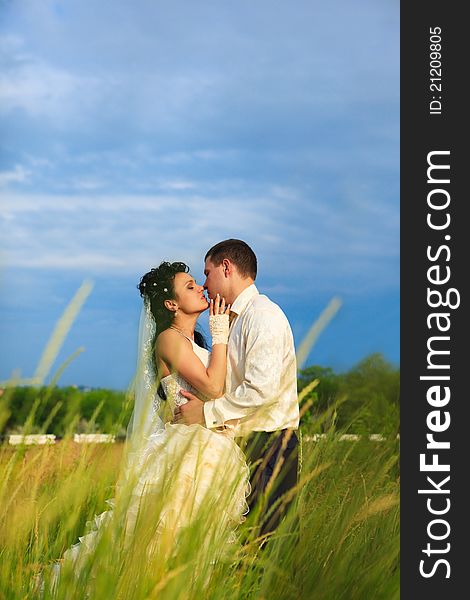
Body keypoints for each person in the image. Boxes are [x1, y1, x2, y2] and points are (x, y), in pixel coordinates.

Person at [48, 261, 250, 590]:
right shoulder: (169, 340)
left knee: (197, 544)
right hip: (186, 454)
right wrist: (221, 331)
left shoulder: (196, 344)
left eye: (197, 282)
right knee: (163, 537)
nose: (200, 288)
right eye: (189, 286)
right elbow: (213, 389)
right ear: (171, 304)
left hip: (212, 449)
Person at [174, 240, 300, 538]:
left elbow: (261, 391)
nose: (204, 283)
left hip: (270, 446)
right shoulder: (231, 319)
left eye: (207, 272)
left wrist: (205, 413)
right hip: (241, 445)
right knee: (243, 544)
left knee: (268, 540)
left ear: (226, 267)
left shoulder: (262, 315)